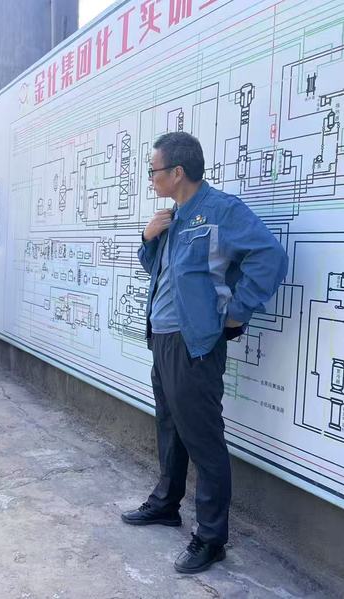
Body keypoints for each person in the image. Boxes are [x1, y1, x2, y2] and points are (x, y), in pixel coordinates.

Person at [121, 132, 288, 574]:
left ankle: (212, 538)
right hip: (162, 338)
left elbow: (270, 257)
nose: (150, 178)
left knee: (203, 439)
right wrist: (148, 236)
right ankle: (166, 504)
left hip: (194, 343)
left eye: (154, 170)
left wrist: (236, 312)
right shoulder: (172, 216)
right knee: (170, 426)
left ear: (177, 172)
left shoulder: (220, 211)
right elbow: (158, 270)